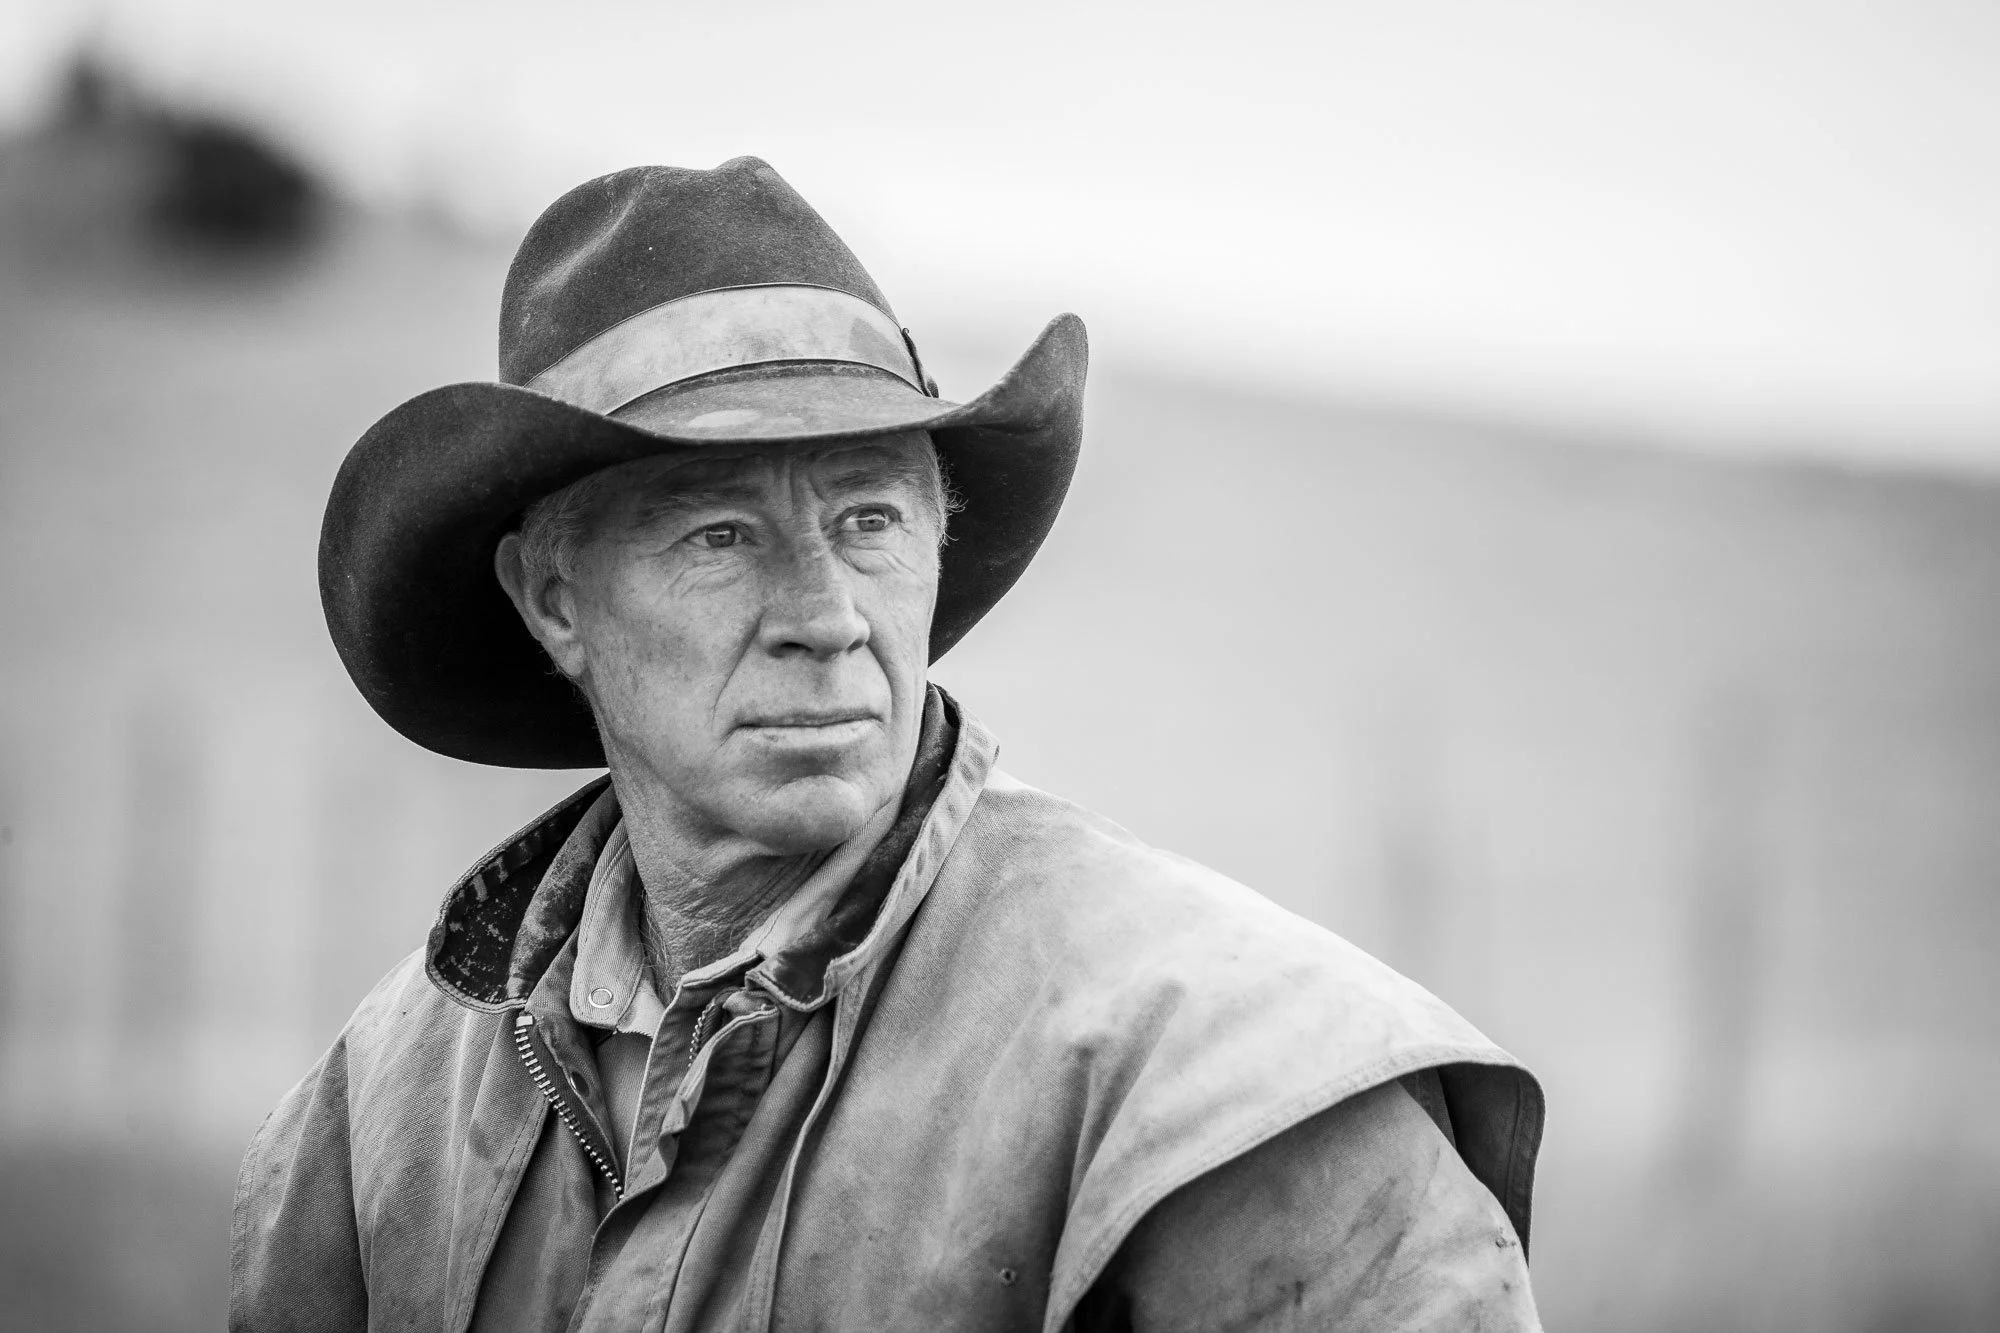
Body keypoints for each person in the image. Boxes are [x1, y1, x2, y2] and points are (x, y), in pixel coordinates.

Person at [232, 157, 1546, 1332]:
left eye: (868, 521)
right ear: (555, 602)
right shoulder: (381, 1110)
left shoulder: (1228, 1096)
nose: (826, 617)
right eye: (719, 536)